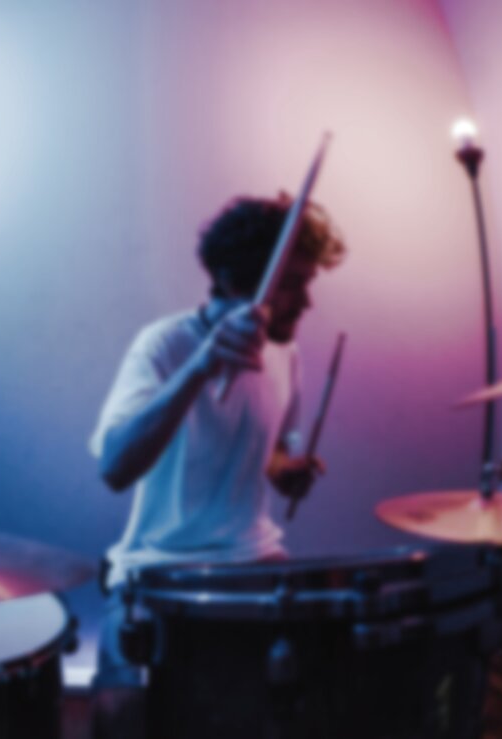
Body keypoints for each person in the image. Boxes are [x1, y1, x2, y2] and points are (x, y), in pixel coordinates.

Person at [87, 194, 347, 722]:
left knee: (321, 696)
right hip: (158, 568)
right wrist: (200, 367)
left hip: (255, 560)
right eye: (292, 283)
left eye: (308, 282)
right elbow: (114, 467)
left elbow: (271, 450)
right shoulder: (163, 345)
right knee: (121, 713)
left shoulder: (286, 351)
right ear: (232, 282)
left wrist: (285, 472)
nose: (307, 302)